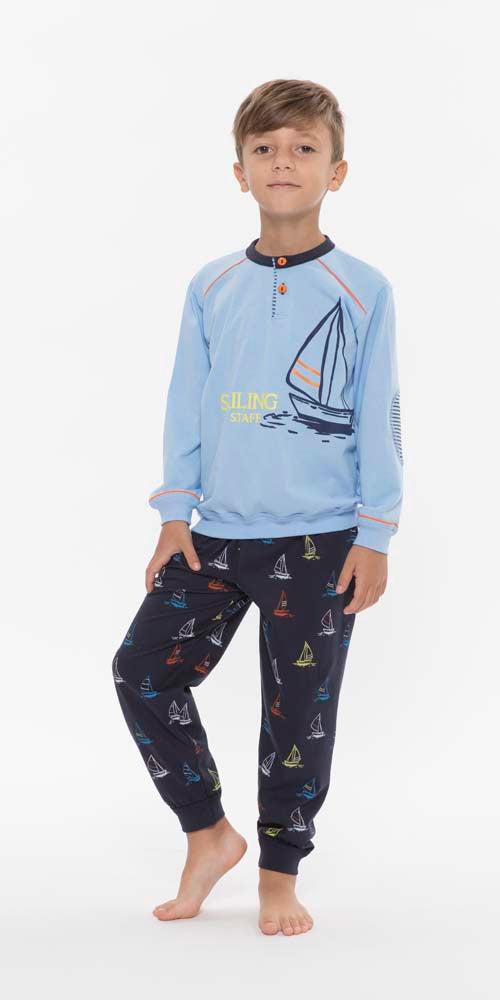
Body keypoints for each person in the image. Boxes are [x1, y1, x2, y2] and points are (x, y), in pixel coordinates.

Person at [111, 78, 404, 936]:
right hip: (214, 537)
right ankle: (208, 833)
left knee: (298, 715)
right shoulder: (211, 286)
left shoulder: (363, 289)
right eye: (265, 149)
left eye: (304, 148)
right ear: (239, 172)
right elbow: (186, 403)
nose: (283, 162)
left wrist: (377, 531)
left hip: (321, 541)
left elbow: (380, 413)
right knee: (141, 670)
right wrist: (174, 513)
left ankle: (281, 873)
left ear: (335, 172)